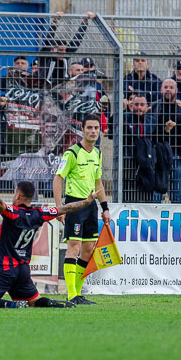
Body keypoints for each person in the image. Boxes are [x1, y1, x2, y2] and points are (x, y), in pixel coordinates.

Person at [0, 177, 91, 309]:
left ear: (18, 195)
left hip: (4, 268)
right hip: (22, 270)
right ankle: (55, 304)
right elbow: (66, 208)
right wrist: (87, 202)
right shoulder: (39, 214)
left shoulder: (14, 213)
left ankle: (13, 305)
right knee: (34, 301)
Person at [52, 116, 111, 306]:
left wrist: (105, 208)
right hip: (74, 205)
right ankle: (70, 295)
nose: (93, 131)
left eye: (96, 128)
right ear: (83, 130)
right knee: (74, 247)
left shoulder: (97, 153)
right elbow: (58, 178)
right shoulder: (72, 153)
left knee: (88, 250)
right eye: (90, 128)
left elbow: (97, 182)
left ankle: (77, 292)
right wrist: (60, 207)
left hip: (91, 206)